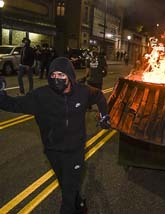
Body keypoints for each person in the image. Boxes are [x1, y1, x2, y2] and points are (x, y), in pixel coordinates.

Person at [0, 57, 111, 214]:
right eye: (53, 75)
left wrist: (104, 115)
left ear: (70, 76)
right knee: (67, 185)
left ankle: (72, 206)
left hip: (75, 152)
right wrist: (1, 96)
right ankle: (79, 205)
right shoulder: (41, 96)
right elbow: (14, 104)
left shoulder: (82, 92)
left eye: (61, 75)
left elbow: (99, 96)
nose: (56, 79)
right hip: (53, 152)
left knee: (67, 195)